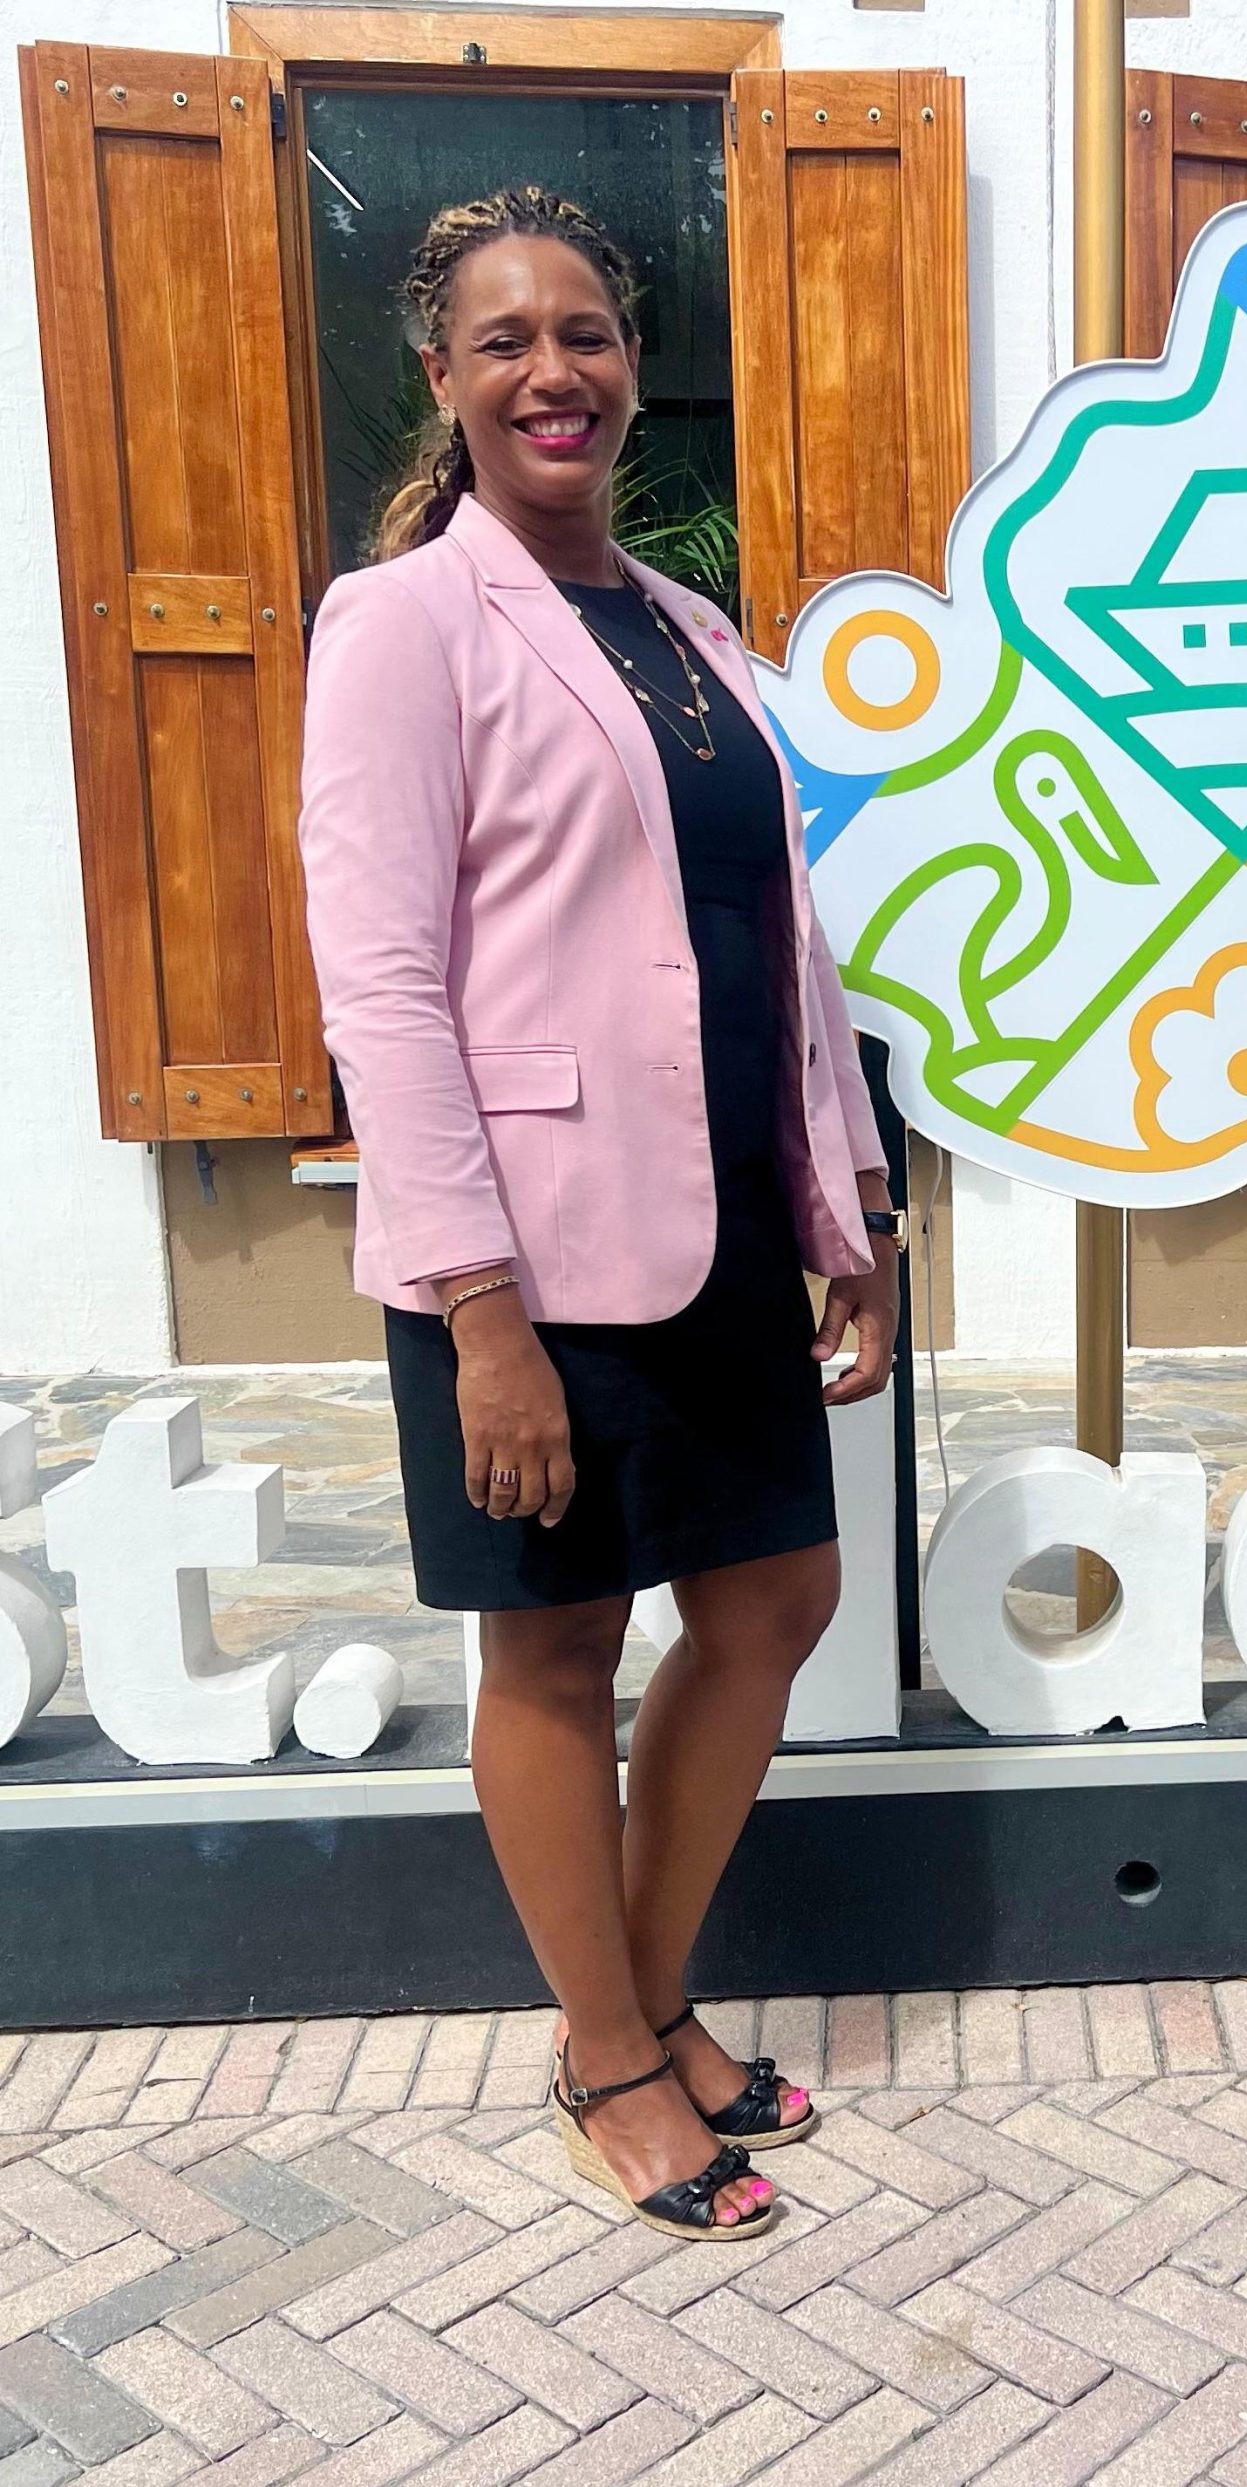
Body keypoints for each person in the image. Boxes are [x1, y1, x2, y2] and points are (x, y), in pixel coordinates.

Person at [299, 188, 905, 2243]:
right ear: (444, 379)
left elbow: (781, 941)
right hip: (528, 1251)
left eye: (586, 333)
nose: (552, 370)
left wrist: (850, 1198)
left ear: (632, 367)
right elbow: (382, 986)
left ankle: (628, 2009)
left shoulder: (690, 629)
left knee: (774, 1601)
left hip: (723, 1215)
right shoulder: (403, 624)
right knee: (554, 1646)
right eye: (505, 340)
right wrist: (478, 1312)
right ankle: (618, 2056)